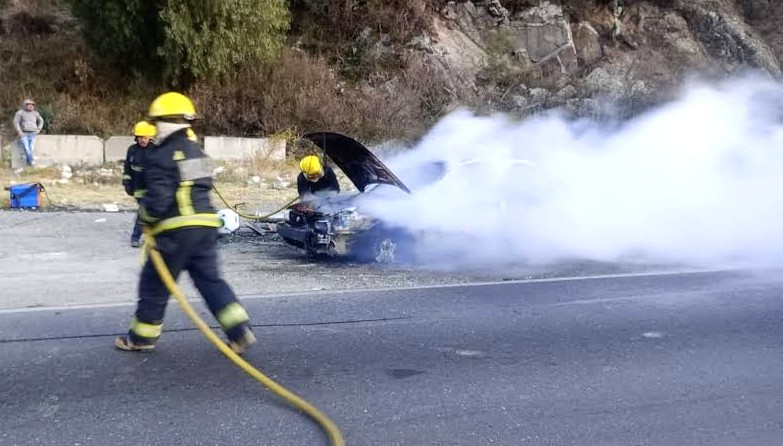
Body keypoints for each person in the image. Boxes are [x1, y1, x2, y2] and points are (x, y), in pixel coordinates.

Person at [115, 92, 256, 354]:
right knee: (211, 281)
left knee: (154, 283)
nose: (155, 129)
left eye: (157, 123)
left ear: (165, 122)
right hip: (205, 228)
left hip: (176, 232)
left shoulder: (160, 154)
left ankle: (141, 338)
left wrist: (145, 218)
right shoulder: (196, 151)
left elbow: (158, 202)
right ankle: (240, 331)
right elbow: (199, 187)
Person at [122, 120, 156, 247]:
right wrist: (126, 182)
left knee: (145, 212)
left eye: (145, 137)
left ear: (150, 137)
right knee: (145, 213)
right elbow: (127, 168)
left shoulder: (155, 150)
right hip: (138, 189)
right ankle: (146, 237)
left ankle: (136, 237)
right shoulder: (132, 150)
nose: (142, 140)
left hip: (152, 189)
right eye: (140, 137)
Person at [12, 98, 44, 166]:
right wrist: (19, 131)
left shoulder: (35, 113)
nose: (31, 106)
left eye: (32, 104)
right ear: (24, 105)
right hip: (24, 133)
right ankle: (32, 162)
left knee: (31, 149)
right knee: (27, 149)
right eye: (28, 104)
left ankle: (28, 165)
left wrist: (38, 129)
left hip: (33, 133)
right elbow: (16, 122)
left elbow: (41, 120)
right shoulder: (20, 113)